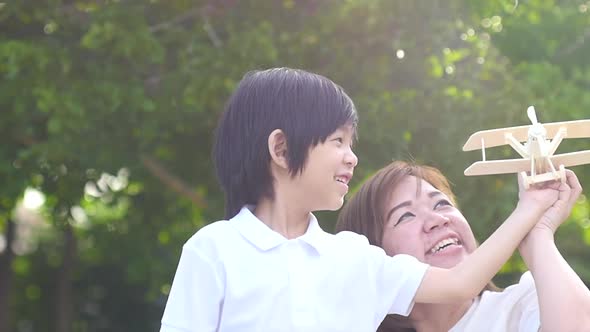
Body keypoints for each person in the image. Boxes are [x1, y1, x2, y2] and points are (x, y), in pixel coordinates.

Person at [159, 68, 562, 332]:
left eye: (351, 143)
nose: (352, 156)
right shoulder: (214, 250)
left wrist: (530, 209)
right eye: (337, 141)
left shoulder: (354, 257)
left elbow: (461, 283)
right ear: (281, 150)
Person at [336, 160, 590, 332]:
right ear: (378, 258)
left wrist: (538, 235)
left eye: (441, 204)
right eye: (405, 216)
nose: (438, 219)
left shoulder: (527, 303)